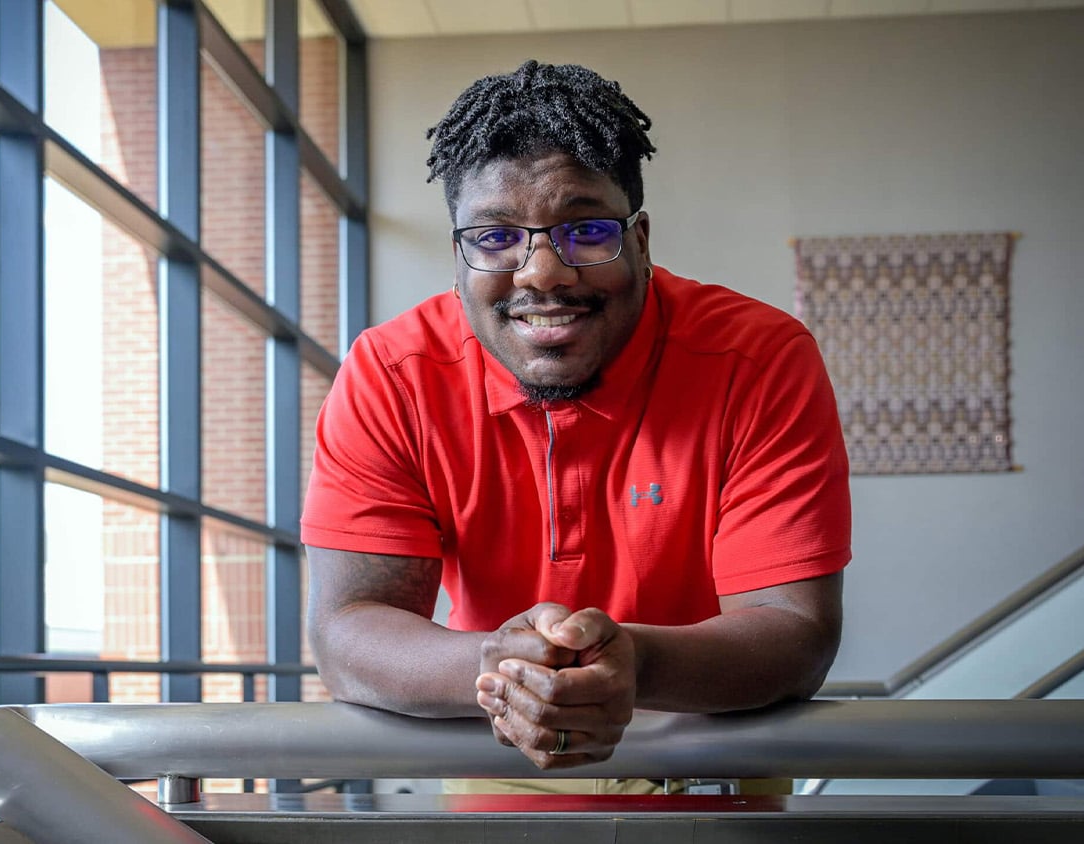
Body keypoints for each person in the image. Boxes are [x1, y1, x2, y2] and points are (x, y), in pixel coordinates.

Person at [301, 60, 850, 790]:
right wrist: (501, 667)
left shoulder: (757, 359)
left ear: (643, 242)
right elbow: (347, 631)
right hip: (500, 747)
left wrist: (638, 665)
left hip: (711, 767)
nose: (541, 272)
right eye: (495, 238)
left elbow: (795, 629)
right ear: (458, 259)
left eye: (587, 230)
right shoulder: (392, 374)